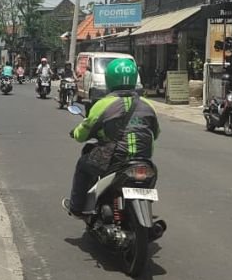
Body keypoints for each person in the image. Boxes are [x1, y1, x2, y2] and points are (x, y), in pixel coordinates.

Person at [63, 57, 160, 217]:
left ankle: (76, 207)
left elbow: (83, 134)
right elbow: (155, 134)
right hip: (143, 160)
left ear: (109, 79)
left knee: (83, 164)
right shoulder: (148, 105)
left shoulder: (103, 104)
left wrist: (76, 132)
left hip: (113, 161)